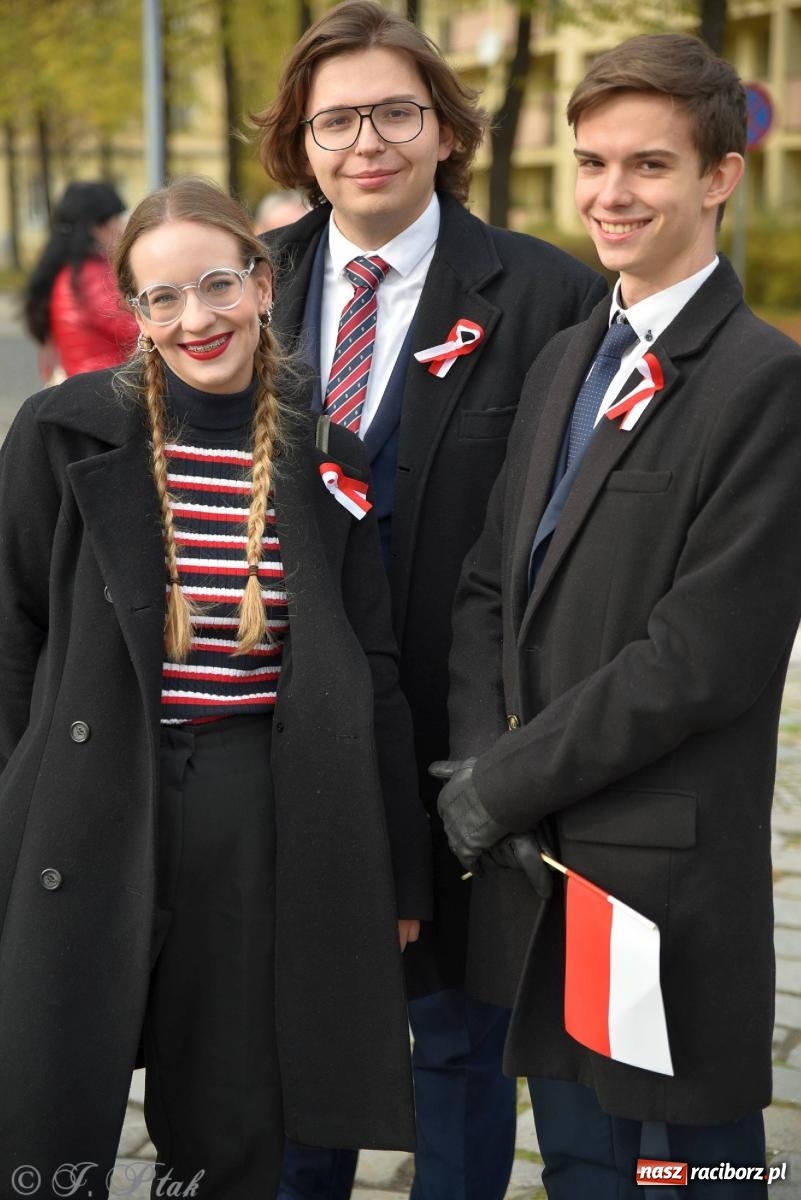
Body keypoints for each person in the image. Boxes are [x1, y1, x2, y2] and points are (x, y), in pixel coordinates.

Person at [0, 177, 431, 1200]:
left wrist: (402, 870)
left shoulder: (328, 454)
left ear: (263, 283)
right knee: (44, 1089)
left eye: (217, 285)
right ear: (136, 312)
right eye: (163, 298)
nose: (196, 319)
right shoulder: (61, 434)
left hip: (254, 807)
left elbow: (369, 666)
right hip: (87, 794)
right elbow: (9, 634)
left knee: (233, 1106)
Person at [434, 33, 801, 1200]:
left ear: (718, 178)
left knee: (692, 1180)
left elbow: (700, 658)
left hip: (662, 893)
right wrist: (479, 757)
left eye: (647, 165)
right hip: (545, 886)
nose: (610, 194)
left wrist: (501, 784)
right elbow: (492, 583)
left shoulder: (765, 384)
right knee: (584, 1170)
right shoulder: (563, 361)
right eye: (592, 164)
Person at [251, 3, 607, 1197]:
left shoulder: (549, 296)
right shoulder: (250, 292)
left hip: (467, 732)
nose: (369, 142)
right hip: (292, 729)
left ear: (445, 129)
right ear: (301, 144)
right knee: (299, 1036)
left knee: (461, 1036)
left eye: (396, 112)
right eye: (336, 119)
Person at [22, 179, 138, 379]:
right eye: (118, 218)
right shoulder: (91, 277)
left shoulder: (70, 271)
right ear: (96, 227)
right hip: (108, 387)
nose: (122, 226)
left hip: (88, 381)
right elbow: (136, 330)